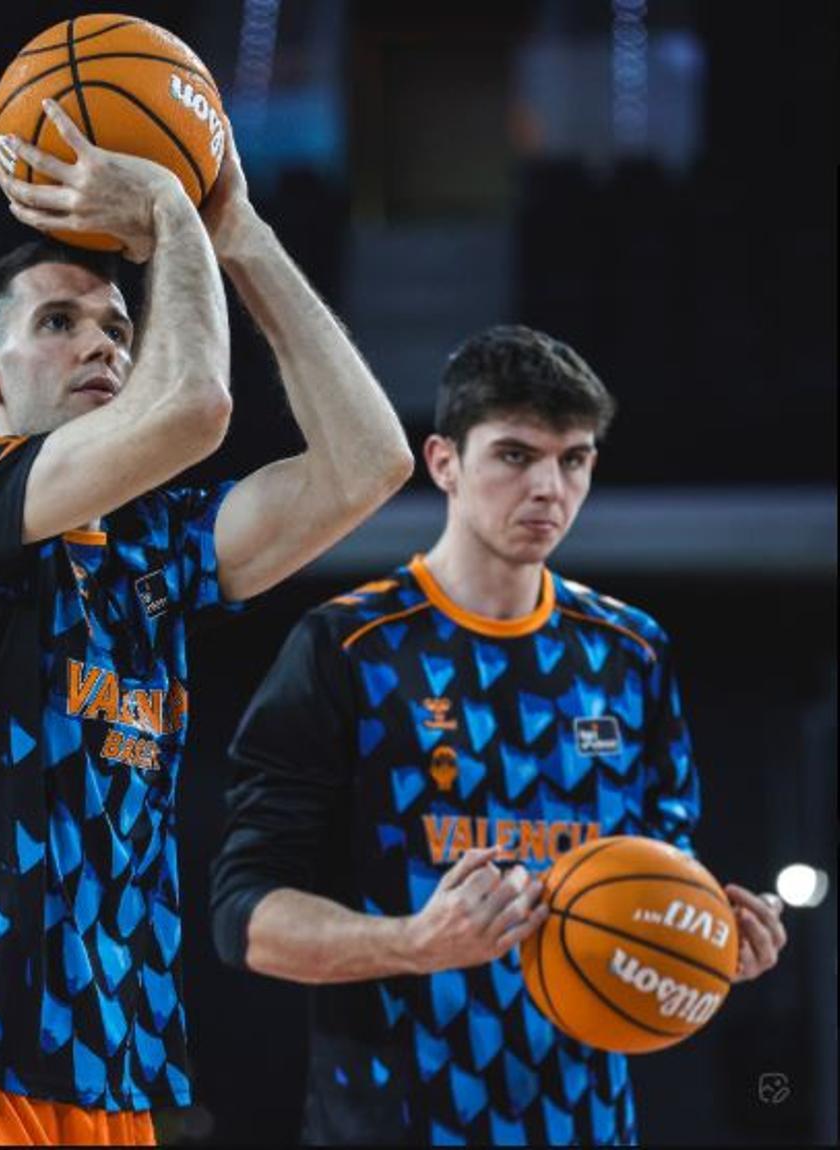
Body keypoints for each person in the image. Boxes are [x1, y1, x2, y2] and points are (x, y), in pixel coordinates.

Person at [0, 98, 413, 1147]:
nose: (100, 343)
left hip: (114, 1081)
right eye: (59, 322)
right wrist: (166, 209)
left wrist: (242, 231)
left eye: (117, 328)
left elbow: (372, 463)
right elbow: (193, 409)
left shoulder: (153, 545)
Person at [210, 325, 789, 1146]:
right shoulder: (346, 645)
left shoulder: (630, 650)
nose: (549, 487)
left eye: (574, 459)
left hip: (585, 1121)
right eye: (516, 455)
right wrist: (414, 942)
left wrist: (711, 940)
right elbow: (245, 918)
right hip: (394, 1121)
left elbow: (661, 882)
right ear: (444, 461)